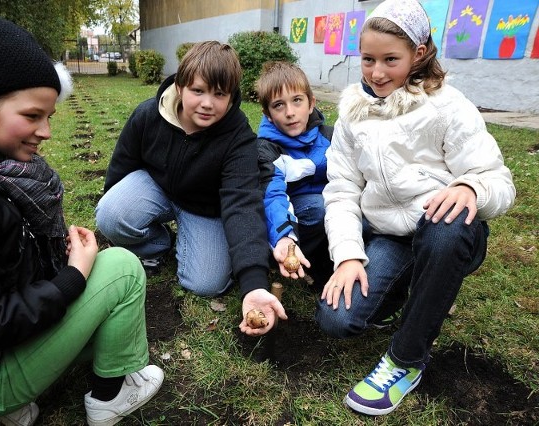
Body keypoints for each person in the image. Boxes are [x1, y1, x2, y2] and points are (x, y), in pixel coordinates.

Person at [0, 17, 163, 426]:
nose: (46, 131)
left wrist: (52, 250)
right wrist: (73, 276)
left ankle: (16, 407)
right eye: (32, 115)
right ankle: (110, 399)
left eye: (49, 115)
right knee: (123, 270)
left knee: (101, 287)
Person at [315, 0, 516, 416]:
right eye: (368, 59)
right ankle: (408, 293)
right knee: (337, 321)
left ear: (419, 53)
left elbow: (499, 181)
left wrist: (471, 187)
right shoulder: (354, 112)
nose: (376, 72)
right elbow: (341, 189)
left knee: (447, 225)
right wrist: (349, 257)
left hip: (445, 233)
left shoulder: (448, 107)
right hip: (390, 234)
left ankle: (406, 359)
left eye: (391, 59)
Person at [95, 41, 287, 335]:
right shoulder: (149, 114)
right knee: (111, 214)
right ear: (181, 86)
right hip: (156, 187)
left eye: (219, 94)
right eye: (198, 91)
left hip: (205, 208)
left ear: (231, 95)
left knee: (206, 283)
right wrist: (112, 211)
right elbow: (123, 163)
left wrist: (253, 282)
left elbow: (243, 204)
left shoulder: (238, 137)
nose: (207, 103)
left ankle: (189, 239)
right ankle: (159, 244)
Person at [255, 61, 334, 287]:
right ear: (268, 114)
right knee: (318, 207)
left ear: (311, 104)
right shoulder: (267, 148)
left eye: (297, 101)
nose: (290, 113)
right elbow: (273, 196)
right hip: (292, 216)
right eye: (278, 105)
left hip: (334, 207)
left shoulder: (331, 137)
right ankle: (301, 261)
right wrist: (284, 239)